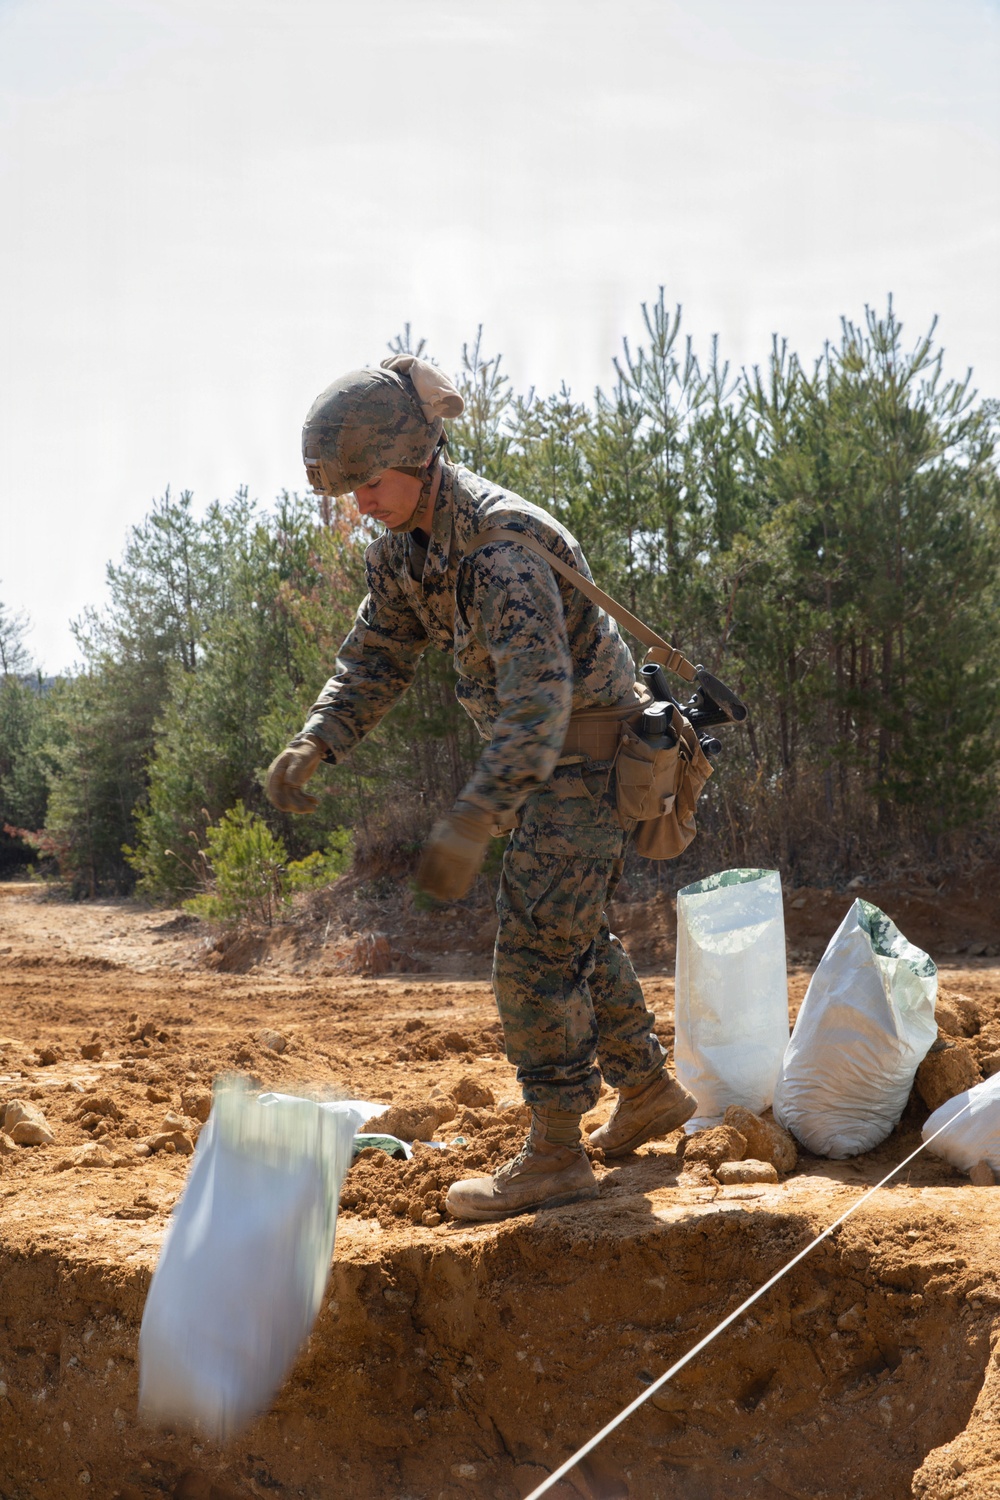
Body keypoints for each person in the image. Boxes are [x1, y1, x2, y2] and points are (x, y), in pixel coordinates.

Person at [266, 355, 696, 1222]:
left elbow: (539, 706)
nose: (361, 503)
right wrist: (319, 739)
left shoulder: (501, 550)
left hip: (588, 761)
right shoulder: (411, 550)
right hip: (547, 764)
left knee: (534, 949)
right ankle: (648, 1091)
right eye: (349, 489)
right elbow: (376, 655)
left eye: (370, 482)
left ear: (419, 456)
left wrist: (472, 818)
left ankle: (557, 1154)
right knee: (571, 929)